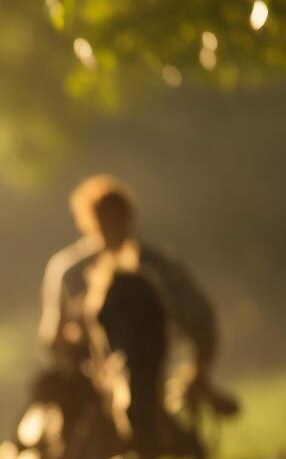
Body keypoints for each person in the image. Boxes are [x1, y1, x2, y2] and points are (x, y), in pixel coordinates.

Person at [38, 175, 237, 422]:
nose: (113, 227)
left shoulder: (158, 267)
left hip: (156, 370)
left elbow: (201, 320)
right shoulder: (69, 271)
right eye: (106, 220)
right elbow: (53, 336)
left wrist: (198, 372)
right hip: (92, 379)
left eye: (117, 219)